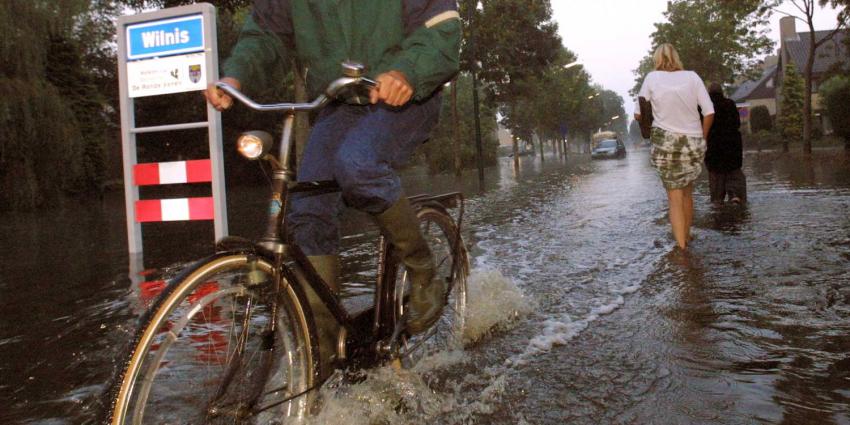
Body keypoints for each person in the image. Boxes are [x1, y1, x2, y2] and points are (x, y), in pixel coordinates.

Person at [204, 0, 461, 372]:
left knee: (358, 165)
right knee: (307, 209)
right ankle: (322, 358)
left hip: (408, 96)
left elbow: (441, 30)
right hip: (340, 103)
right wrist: (235, 77)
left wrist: (406, 72)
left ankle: (423, 273)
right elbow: (266, 33)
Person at [634, 43, 715, 250]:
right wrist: (702, 139)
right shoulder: (693, 77)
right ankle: (687, 236)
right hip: (693, 142)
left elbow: (638, 113)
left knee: (674, 196)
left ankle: (681, 249)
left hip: (666, 143)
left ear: (657, 59)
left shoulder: (652, 78)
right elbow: (709, 112)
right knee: (687, 191)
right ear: (677, 58)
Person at [704, 82, 747, 204]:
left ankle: (718, 201)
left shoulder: (706, 107)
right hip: (732, 149)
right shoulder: (730, 104)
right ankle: (735, 195)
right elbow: (737, 124)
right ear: (721, 92)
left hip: (714, 150)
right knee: (734, 174)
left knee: (717, 181)